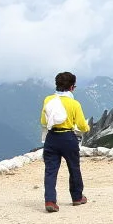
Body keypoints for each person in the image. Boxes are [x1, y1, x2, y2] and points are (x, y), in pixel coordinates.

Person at [40, 71, 89, 213]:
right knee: (74, 167)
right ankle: (77, 197)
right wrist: (87, 127)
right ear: (72, 87)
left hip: (51, 138)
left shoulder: (48, 100)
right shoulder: (74, 104)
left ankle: (50, 200)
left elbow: (43, 121)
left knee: (50, 170)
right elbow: (81, 126)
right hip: (68, 138)